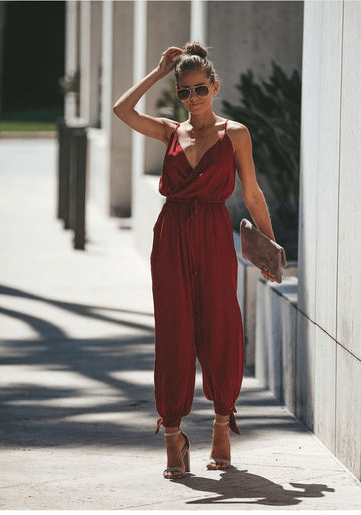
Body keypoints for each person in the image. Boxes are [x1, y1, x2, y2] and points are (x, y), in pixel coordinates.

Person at [113, 42, 276, 479]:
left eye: (200, 89)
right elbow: (122, 110)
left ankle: (222, 423)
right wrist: (157, 70)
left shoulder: (235, 134)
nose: (193, 98)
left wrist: (269, 248)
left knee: (220, 323)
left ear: (215, 87)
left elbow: (252, 193)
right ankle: (173, 434)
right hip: (171, 235)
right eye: (184, 92)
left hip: (213, 234)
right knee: (174, 329)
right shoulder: (170, 132)